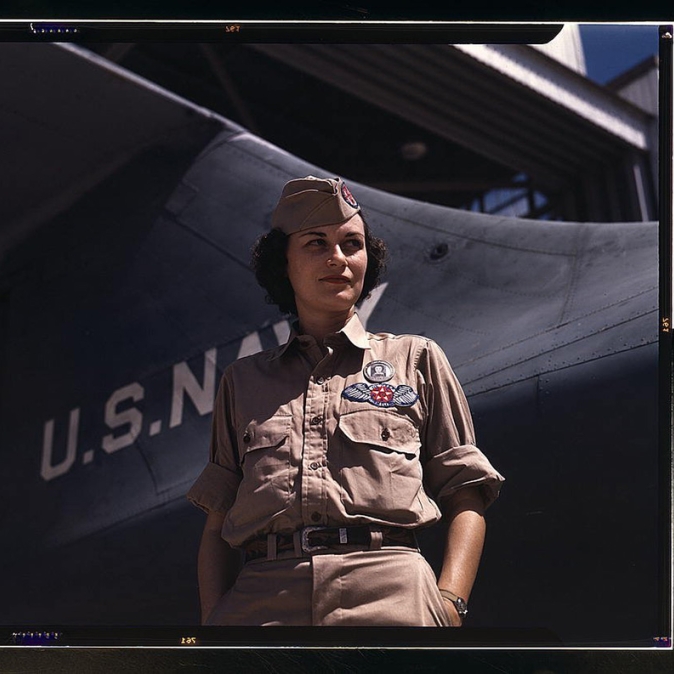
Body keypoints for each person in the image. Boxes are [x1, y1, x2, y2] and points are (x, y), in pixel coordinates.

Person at [187, 176, 504, 626]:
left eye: (351, 244)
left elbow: (466, 492)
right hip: (261, 605)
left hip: (393, 599)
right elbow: (217, 525)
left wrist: (448, 604)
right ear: (285, 264)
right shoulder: (242, 381)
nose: (338, 258)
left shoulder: (416, 359)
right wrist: (215, 622)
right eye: (316, 244)